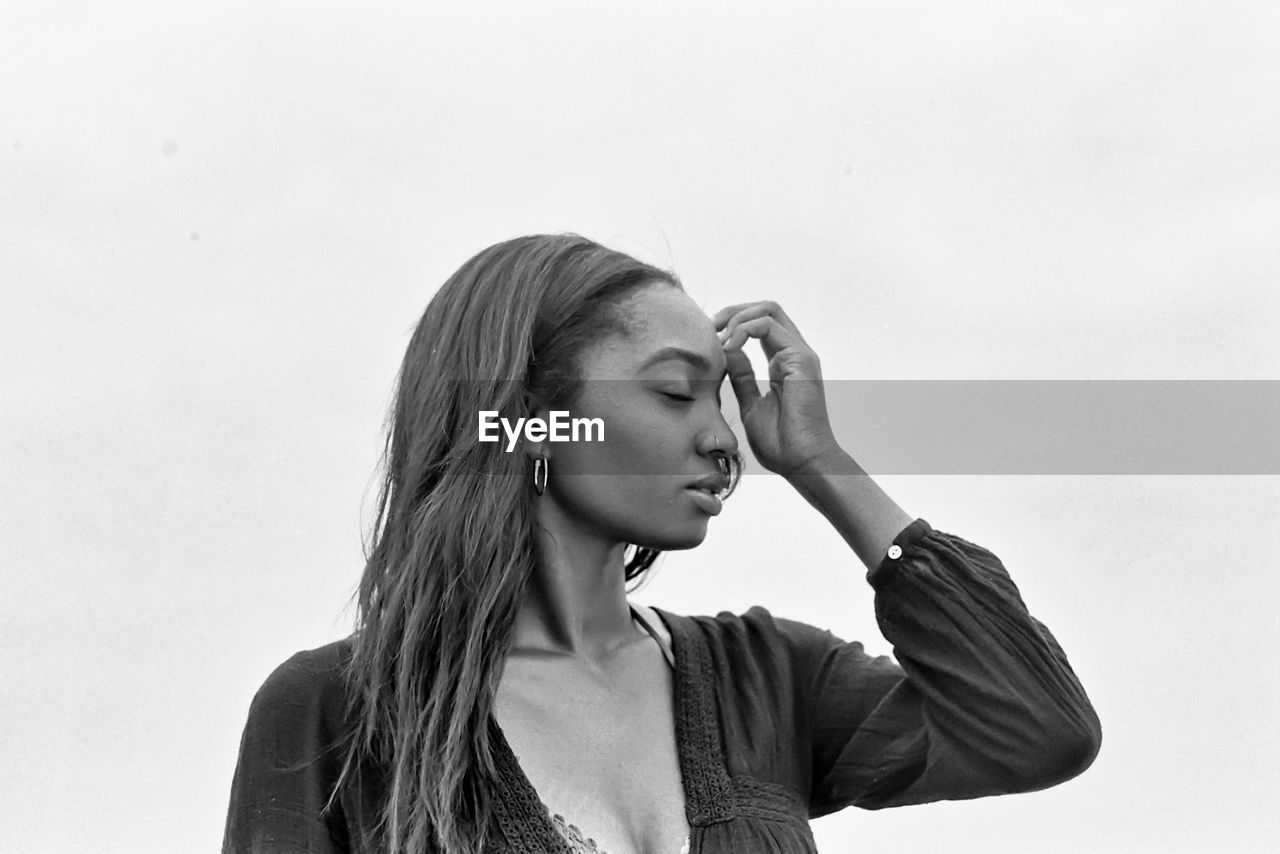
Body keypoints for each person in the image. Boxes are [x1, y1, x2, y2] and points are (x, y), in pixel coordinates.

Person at [221, 234, 1102, 854]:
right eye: (679, 395)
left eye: (722, 403)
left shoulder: (767, 680)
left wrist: (820, 463)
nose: (727, 442)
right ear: (534, 421)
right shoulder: (337, 715)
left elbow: (1039, 730)